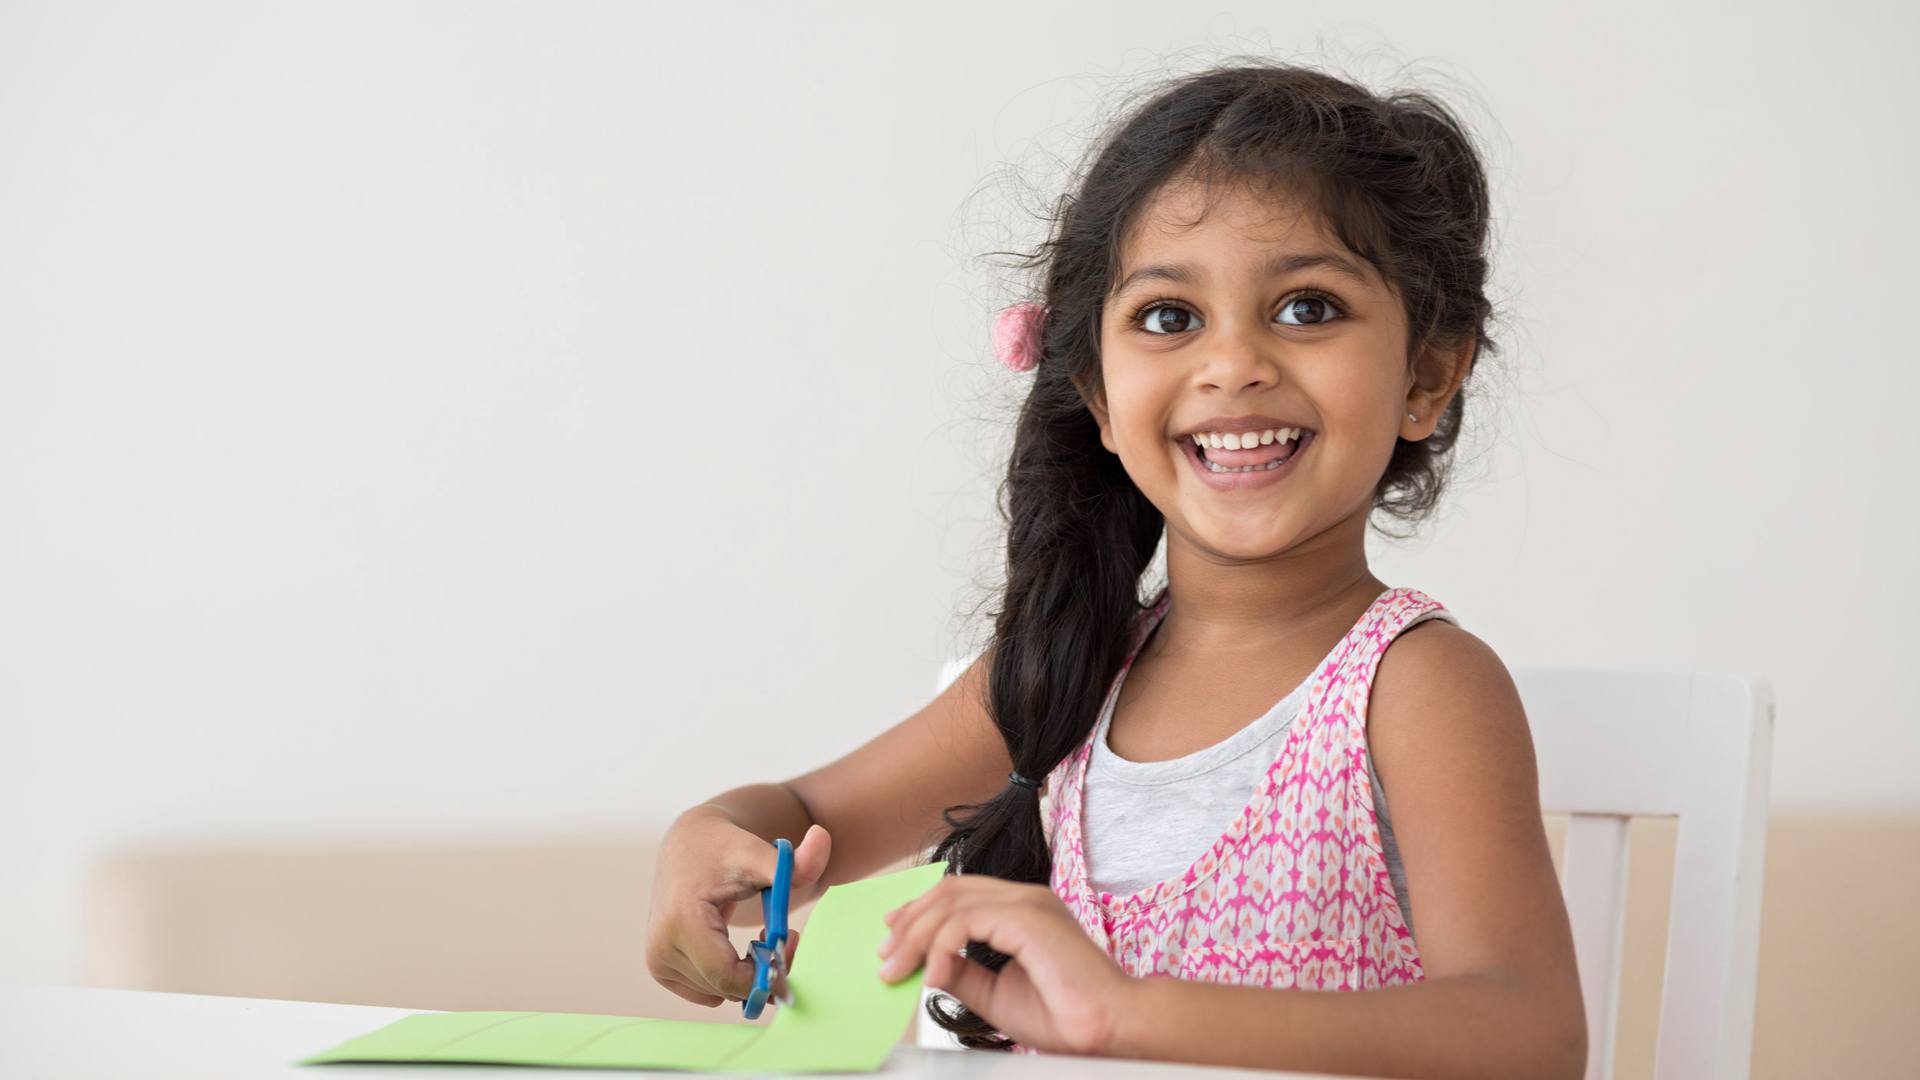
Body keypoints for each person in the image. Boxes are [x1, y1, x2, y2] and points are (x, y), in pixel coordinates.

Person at [644, 59, 1586, 1079]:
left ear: (1429, 375)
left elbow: (1528, 1038)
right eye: (1170, 318)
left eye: (1308, 308)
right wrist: (707, 841)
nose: (1233, 365)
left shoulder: (1415, 688)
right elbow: (799, 819)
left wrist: (1131, 1012)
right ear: (1095, 391)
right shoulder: (1065, 673)